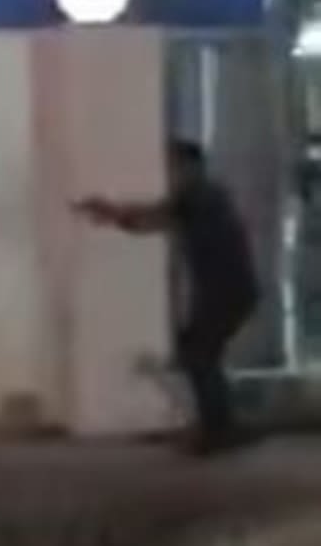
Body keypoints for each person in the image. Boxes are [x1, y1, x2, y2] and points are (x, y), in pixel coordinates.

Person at [78, 140, 260, 456]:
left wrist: (109, 212)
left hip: (227, 290)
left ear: (190, 166)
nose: (170, 174)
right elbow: (151, 220)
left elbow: (152, 216)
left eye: (174, 166)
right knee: (199, 352)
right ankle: (220, 425)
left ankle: (219, 430)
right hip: (229, 289)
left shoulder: (199, 193)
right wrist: (114, 216)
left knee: (198, 352)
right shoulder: (203, 194)